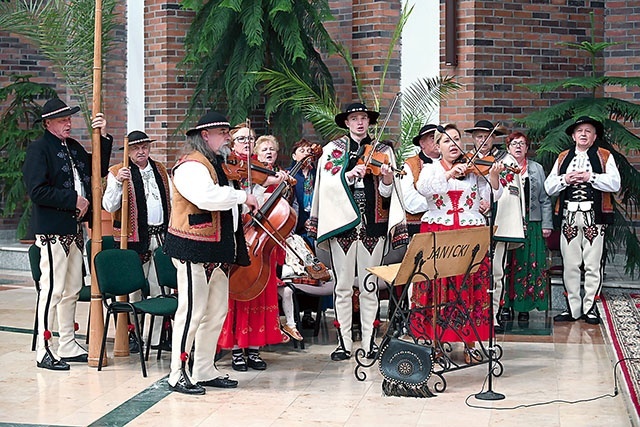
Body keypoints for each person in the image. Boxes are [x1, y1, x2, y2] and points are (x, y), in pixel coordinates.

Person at [164, 111, 259, 395]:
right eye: (222, 132)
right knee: (191, 311)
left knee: (216, 311)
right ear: (205, 136)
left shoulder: (219, 164)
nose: (228, 137)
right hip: (192, 246)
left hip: (217, 249)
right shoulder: (191, 165)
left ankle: (203, 369)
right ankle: (177, 372)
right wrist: (242, 196)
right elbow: (205, 197)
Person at [308, 102, 408, 361]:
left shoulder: (384, 151)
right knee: (341, 287)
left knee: (369, 286)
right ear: (347, 122)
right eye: (354, 118)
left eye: (363, 118)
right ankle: (343, 344)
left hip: (372, 226)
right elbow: (327, 186)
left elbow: (388, 194)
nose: (360, 122)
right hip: (343, 227)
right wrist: (349, 175)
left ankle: (369, 342)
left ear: (369, 122)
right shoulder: (333, 150)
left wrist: (386, 179)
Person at [23, 97, 113, 370]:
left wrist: (103, 135)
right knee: (52, 289)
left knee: (72, 288)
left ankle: (67, 342)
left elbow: (96, 168)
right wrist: (73, 199)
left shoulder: (72, 147)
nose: (68, 123)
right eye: (63, 120)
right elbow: (36, 191)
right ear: (48, 123)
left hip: (73, 230)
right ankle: (43, 348)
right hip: (51, 230)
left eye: (69, 119)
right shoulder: (39, 150)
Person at [411, 124, 503, 364]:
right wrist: (449, 174)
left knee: (470, 286)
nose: (453, 144)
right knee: (438, 286)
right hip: (438, 230)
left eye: (456, 139)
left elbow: (489, 198)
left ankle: (470, 342)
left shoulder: (474, 169)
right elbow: (423, 189)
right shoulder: (430, 169)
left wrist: (494, 177)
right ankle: (438, 342)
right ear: (437, 147)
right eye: (446, 140)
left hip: (469, 232)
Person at [218, 128, 289, 371]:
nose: (246, 142)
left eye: (250, 138)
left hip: (260, 242)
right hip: (238, 237)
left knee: (261, 293)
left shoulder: (263, 169)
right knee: (237, 295)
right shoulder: (228, 169)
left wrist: (279, 183)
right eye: (241, 139)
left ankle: (254, 350)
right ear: (232, 143)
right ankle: (237, 350)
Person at [544, 116, 620, 325]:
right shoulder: (563, 158)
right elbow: (549, 186)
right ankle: (573, 308)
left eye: (588, 131)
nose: (584, 134)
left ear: (594, 137)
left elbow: (615, 184)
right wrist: (565, 179)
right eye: (580, 131)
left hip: (594, 218)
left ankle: (590, 307)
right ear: (573, 135)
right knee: (570, 263)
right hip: (569, 216)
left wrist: (590, 178)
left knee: (593, 264)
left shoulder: (605, 156)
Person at [102, 130, 171, 351]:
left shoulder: (160, 169)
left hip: (161, 237)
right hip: (134, 240)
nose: (141, 152)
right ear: (128, 152)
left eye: (144, 147)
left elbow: (171, 200)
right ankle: (135, 336)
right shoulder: (117, 172)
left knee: (160, 289)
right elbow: (109, 206)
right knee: (134, 290)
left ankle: (156, 339)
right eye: (135, 148)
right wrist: (117, 184)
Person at [502, 132, 552, 322]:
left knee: (528, 264)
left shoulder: (536, 168)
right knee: (507, 263)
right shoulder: (503, 167)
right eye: (514, 143)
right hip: (508, 221)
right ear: (508, 147)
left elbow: (545, 199)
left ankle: (524, 306)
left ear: (527, 148)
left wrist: (546, 224)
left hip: (532, 223)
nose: (518, 147)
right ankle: (505, 305)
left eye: (522, 143)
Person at [401, 124, 439, 236]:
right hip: (418, 228)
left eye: (439, 137)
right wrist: (438, 202)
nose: (437, 140)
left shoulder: (451, 163)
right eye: (433, 137)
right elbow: (409, 202)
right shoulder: (410, 164)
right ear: (422, 143)